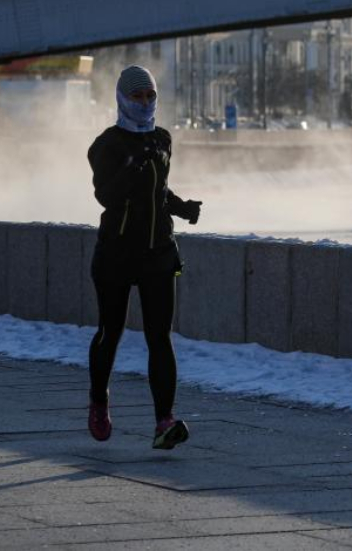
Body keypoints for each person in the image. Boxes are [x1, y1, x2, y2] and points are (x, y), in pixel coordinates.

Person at [86, 65, 202, 450]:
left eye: (149, 96)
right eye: (136, 96)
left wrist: (182, 207)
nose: (144, 102)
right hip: (117, 254)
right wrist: (134, 166)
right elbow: (106, 195)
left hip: (158, 253)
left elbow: (159, 191)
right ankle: (99, 401)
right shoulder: (106, 145)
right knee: (110, 332)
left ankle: (163, 421)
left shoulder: (163, 139)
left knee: (160, 338)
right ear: (121, 98)